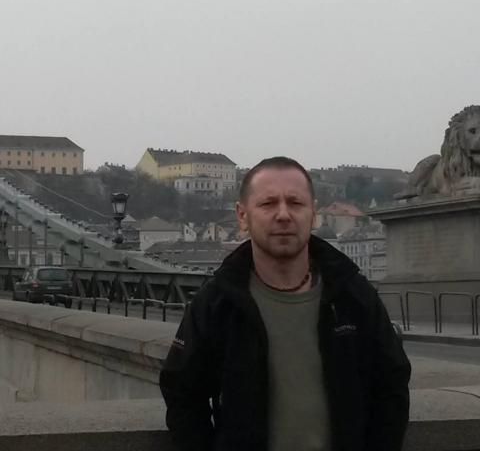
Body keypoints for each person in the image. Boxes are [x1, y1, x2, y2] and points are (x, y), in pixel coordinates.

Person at [160, 156, 411, 451]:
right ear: (243, 216)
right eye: (268, 204)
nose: (283, 215)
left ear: (313, 214)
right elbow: (183, 395)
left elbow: (391, 386)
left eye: (295, 203)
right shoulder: (216, 303)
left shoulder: (354, 295)